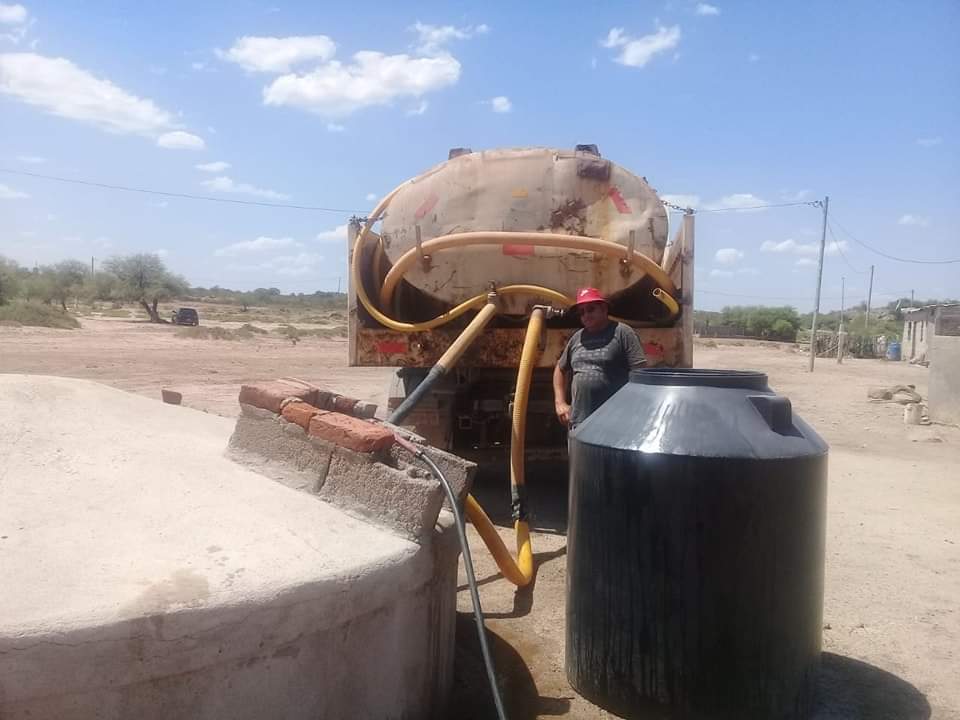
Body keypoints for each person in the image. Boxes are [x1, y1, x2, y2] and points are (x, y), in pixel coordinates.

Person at [553, 287, 647, 429]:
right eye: (582, 312)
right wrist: (560, 403)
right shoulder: (577, 338)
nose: (586, 315)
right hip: (579, 421)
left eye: (591, 309)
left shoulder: (623, 333)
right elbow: (560, 369)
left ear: (604, 309)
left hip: (615, 422)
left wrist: (636, 410)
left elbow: (640, 373)